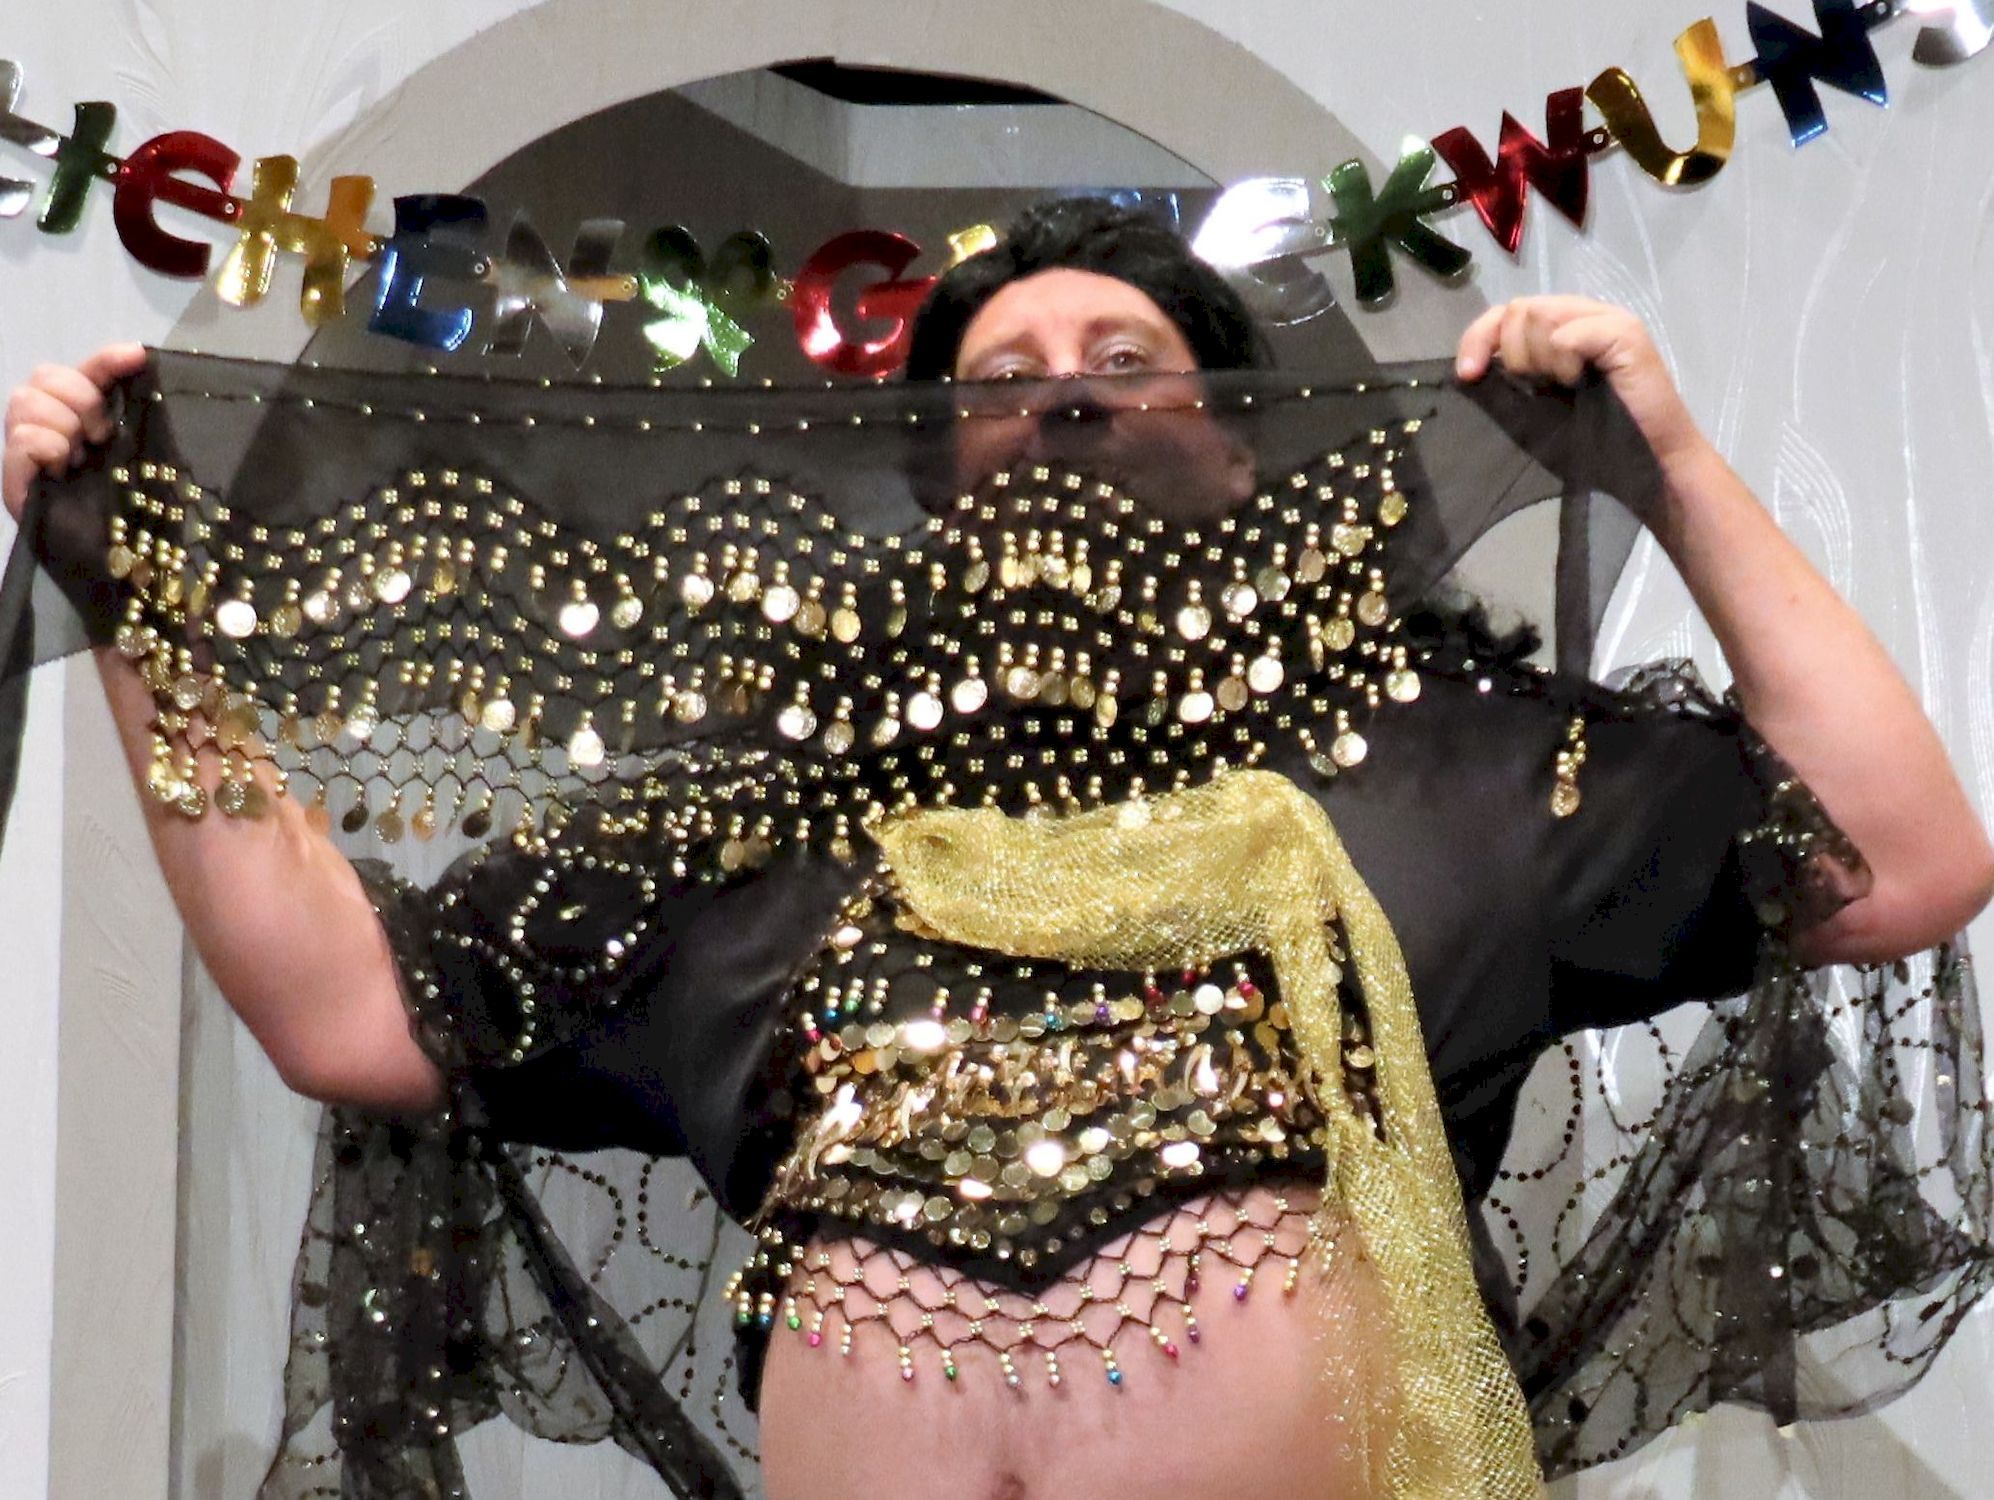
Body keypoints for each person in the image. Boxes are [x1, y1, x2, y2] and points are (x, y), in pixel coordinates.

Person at [3, 198, 1990, 1500]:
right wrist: (140, 616)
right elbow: (350, 1014)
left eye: (1124, 367)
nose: (1061, 408)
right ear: (940, 482)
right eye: (1004, 385)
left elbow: (1901, 856)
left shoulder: (1435, 763)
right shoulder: (771, 816)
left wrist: (1667, 468)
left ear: (1238, 445)